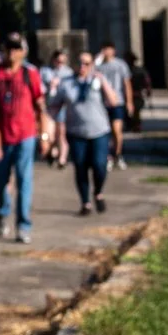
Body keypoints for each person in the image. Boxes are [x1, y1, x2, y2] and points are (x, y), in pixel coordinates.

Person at [0, 32, 53, 244]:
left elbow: (40, 106)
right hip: (0, 137)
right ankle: (2, 213)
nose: (12, 53)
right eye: (8, 48)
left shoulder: (30, 74)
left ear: (23, 52)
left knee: (24, 180)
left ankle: (23, 225)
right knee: (0, 181)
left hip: (25, 136)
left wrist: (44, 136)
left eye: (16, 49)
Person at [50, 51, 117, 215]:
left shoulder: (98, 81)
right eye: (80, 63)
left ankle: (98, 192)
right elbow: (54, 107)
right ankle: (85, 202)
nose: (82, 67)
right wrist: (49, 132)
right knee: (80, 167)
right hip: (76, 132)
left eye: (86, 64)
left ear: (92, 65)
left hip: (99, 131)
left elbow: (113, 101)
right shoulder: (67, 83)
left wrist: (103, 81)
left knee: (99, 165)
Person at [95, 39, 134, 168]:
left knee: (117, 130)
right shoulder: (98, 66)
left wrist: (129, 102)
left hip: (118, 102)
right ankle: (108, 156)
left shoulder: (120, 65)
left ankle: (118, 153)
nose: (106, 51)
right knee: (105, 132)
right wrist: (97, 60)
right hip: (102, 103)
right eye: (104, 49)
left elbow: (127, 84)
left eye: (108, 49)